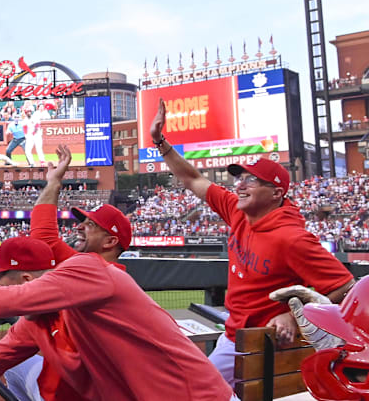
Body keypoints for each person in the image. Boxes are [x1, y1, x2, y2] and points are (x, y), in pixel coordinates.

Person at [0, 145, 235, 400]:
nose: (79, 226)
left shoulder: (90, 270)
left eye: (91, 224)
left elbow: (13, 297)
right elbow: (43, 236)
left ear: (109, 242)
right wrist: (53, 183)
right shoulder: (77, 272)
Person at [148, 97, 355, 386]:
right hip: (234, 336)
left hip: (261, 345)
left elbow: (345, 288)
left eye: (251, 180)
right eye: (239, 178)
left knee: (194, 390)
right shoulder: (237, 210)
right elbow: (192, 179)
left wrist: (295, 317)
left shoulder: (291, 238)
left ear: (276, 193)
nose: (240, 185)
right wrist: (160, 142)